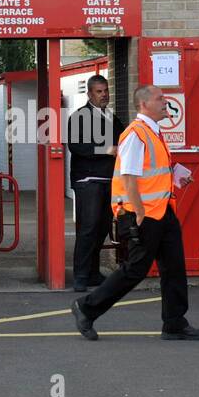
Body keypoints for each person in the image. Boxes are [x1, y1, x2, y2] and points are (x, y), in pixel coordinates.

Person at [71, 84, 199, 342]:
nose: (165, 102)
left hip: (162, 211)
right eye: (159, 98)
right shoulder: (136, 134)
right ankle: (86, 307)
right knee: (134, 269)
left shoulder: (153, 133)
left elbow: (153, 170)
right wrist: (139, 215)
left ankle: (175, 324)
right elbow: (130, 177)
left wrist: (176, 176)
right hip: (143, 215)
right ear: (144, 104)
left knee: (174, 267)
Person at [67, 74, 125, 292]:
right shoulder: (79, 116)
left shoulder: (111, 117)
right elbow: (76, 146)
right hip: (88, 180)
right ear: (89, 93)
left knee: (102, 228)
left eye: (106, 91)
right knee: (88, 229)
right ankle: (81, 276)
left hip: (110, 180)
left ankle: (92, 273)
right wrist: (105, 150)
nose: (104, 95)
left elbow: (123, 142)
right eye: (99, 92)